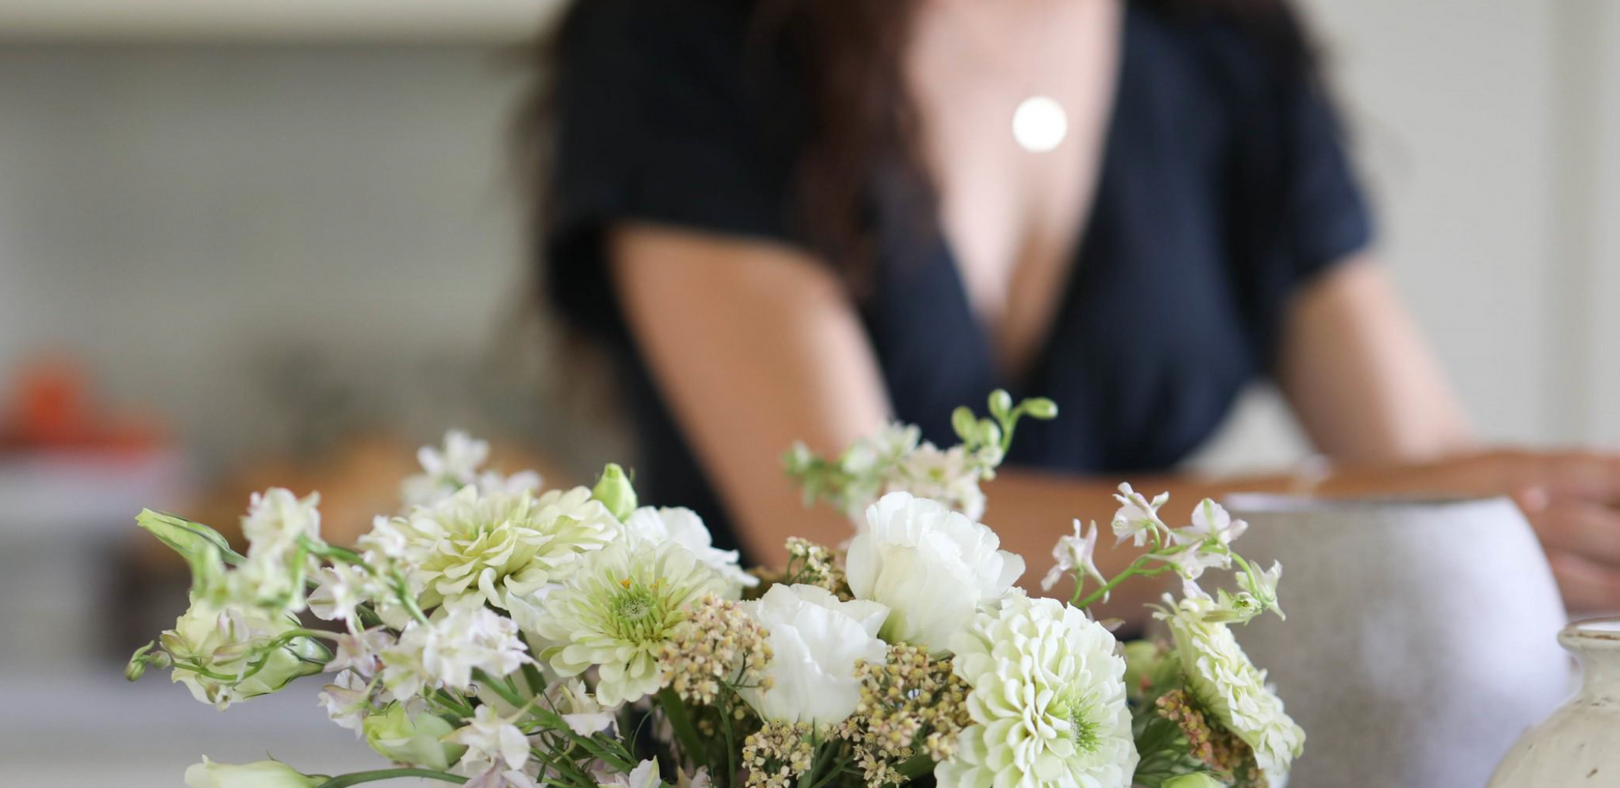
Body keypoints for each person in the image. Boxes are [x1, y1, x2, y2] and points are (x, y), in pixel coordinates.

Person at [530, 0, 1620, 610]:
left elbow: (1428, 457)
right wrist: (1370, 523)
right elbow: (847, 531)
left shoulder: (1226, 56)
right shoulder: (692, 35)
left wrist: (1556, 526)